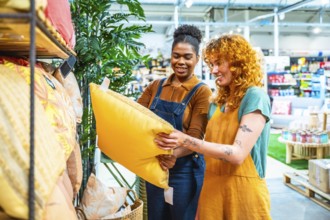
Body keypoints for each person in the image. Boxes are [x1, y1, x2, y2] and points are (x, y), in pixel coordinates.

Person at [155, 34, 272, 220]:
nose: (214, 70)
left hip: (243, 194)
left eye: (220, 63)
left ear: (238, 63)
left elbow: (237, 154)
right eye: (211, 64)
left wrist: (184, 139)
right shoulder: (216, 103)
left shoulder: (255, 97)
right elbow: (207, 145)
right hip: (211, 189)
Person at [137, 25, 212, 220]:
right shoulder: (156, 86)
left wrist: (174, 155)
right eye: (176, 55)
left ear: (197, 58)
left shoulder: (201, 92)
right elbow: (135, 117)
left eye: (187, 57)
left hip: (184, 172)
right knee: (156, 216)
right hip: (155, 167)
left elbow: (196, 136)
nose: (181, 61)